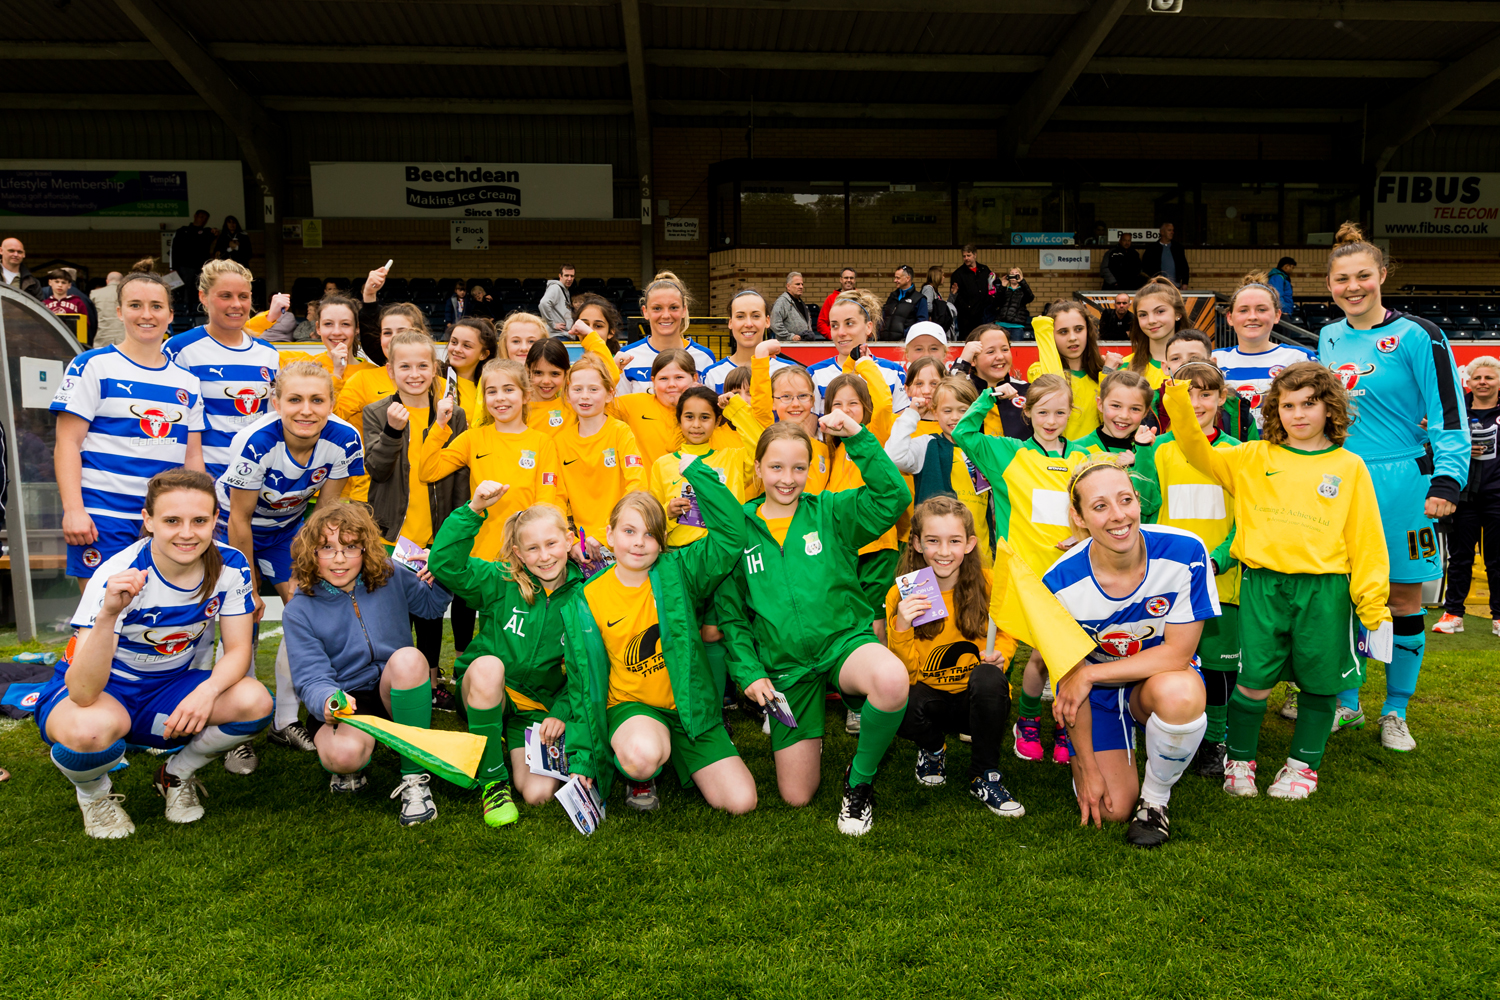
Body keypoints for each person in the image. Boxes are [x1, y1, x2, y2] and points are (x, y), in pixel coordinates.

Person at [1162, 364, 1390, 799]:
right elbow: (1194, 449)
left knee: (1320, 684)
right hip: (1263, 585)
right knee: (1252, 682)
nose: (1298, 414)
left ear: (1331, 407)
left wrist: (1372, 603)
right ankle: (1240, 762)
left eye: (1309, 403)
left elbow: (1365, 538)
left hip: (1324, 590)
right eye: (1287, 405)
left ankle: (1302, 767)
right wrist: (1176, 400)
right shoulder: (1252, 457)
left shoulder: (1349, 466)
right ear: (1274, 410)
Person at [32, 469, 268, 839]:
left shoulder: (231, 563)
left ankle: (176, 774)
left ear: (214, 521)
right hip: (106, 690)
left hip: (169, 686)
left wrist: (204, 695)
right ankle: (94, 795)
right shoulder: (119, 573)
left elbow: (238, 650)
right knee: (87, 733)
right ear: (148, 520)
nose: (187, 533)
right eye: (172, 520)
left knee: (254, 700)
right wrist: (109, 613)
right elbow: (82, 692)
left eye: (199, 520)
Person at [716, 414, 910, 835]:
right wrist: (750, 672)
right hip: (788, 667)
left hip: (842, 643)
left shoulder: (831, 511)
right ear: (758, 469)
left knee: (892, 679)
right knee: (796, 795)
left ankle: (859, 781)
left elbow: (893, 497)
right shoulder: (738, 532)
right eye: (777, 467)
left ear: (811, 469)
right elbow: (731, 616)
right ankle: (815, 730)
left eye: (799, 468)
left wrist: (858, 438)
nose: (788, 479)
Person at [1319, 223, 1469, 752]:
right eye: (1342, 279)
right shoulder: (1329, 337)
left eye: (1363, 275)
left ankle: (1396, 711)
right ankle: (1347, 702)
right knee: (1341, 596)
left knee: (1404, 597)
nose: (1353, 286)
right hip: (1341, 483)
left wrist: (1449, 479)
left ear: (1382, 275)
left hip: (1405, 481)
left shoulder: (1419, 335)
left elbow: (1448, 411)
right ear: (1330, 284)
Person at [559, 471, 757, 816]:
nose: (639, 542)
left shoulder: (679, 571)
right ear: (609, 534)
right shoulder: (585, 599)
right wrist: (584, 759)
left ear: (662, 541)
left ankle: (679, 749)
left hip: (688, 710)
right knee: (641, 756)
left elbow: (732, 535)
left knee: (742, 802)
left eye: (650, 534)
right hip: (632, 708)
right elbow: (581, 687)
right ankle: (641, 775)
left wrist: (698, 472)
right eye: (629, 531)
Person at [1039, 460, 1214, 847]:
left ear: (1138, 501)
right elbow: (1071, 685)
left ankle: (1155, 800)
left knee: (1181, 696)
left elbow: (1178, 654)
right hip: (1095, 697)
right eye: (1100, 506)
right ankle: (1114, 751)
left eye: (1125, 500)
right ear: (1079, 517)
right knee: (1111, 808)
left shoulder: (1185, 551)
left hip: (1156, 679)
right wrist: (1085, 765)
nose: (1119, 516)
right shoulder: (1058, 584)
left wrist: (1091, 673)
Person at [217, 361, 364, 750]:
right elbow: (239, 519)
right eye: (295, 399)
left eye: (317, 400)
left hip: (290, 530)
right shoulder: (256, 442)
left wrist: (308, 563)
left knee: (302, 608)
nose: (306, 410)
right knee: (240, 617)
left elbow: (324, 514)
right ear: (276, 402)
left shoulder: (346, 438)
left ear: (332, 402)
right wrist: (247, 586)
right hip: (232, 530)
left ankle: (284, 719)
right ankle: (237, 728)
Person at [281, 502, 453, 826]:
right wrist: (329, 701)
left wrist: (442, 573)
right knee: (343, 756)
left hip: (395, 687)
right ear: (311, 552)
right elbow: (310, 677)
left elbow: (431, 608)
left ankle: (414, 778)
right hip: (347, 698)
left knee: (410, 659)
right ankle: (353, 760)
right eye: (327, 548)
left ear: (365, 548)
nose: (339, 558)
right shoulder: (299, 610)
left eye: (350, 547)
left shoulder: (390, 574)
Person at [428, 486, 585, 825]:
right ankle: (493, 782)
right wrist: (473, 509)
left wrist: (560, 711)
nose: (544, 556)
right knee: (489, 667)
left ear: (570, 540)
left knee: (537, 794)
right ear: (518, 552)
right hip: (485, 691)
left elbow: (586, 667)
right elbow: (443, 563)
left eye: (551, 544)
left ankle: (496, 738)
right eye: (532, 548)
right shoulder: (500, 580)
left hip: (533, 708)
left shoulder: (587, 595)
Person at [954, 373, 1088, 763]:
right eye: (1043, 411)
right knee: (1010, 655)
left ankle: (1064, 724)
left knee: (1061, 656)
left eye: (1060, 412)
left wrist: (1082, 539)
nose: (1051, 420)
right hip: (1021, 577)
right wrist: (988, 398)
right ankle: (1025, 722)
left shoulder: (1083, 458)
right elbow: (963, 432)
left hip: (1071, 576)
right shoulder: (1008, 453)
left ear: (1070, 414)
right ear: (1027, 412)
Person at [53, 260, 204, 582]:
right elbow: (67, 443)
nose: (146, 315)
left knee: (161, 617)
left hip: (168, 519)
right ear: (120, 311)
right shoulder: (91, 366)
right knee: (101, 618)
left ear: (170, 315)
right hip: (104, 515)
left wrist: (200, 513)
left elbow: (192, 456)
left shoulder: (187, 381)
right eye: (135, 305)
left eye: (156, 306)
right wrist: (74, 510)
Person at [1135, 362, 1240, 778]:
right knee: (1164, 662)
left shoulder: (1238, 451)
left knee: (1217, 667)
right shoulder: (1159, 448)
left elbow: (1245, 520)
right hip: (1168, 581)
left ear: (1222, 399)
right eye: (1188, 394)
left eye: (1206, 394)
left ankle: (1214, 740)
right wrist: (1141, 453)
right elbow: (1146, 508)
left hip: (1221, 579)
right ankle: (1159, 730)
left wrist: (1219, 560)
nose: (1197, 403)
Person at [886, 496, 1022, 816]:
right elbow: (903, 674)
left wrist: (1001, 653)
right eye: (933, 541)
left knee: (989, 678)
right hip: (929, 698)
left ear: (970, 544)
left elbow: (1006, 632)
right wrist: (902, 625)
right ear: (917, 543)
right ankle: (934, 747)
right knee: (894, 697)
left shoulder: (990, 584)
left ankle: (984, 773)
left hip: (975, 701)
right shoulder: (902, 593)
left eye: (954, 541)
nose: (944, 552)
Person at [364, 330, 472, 691]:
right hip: (390, 536)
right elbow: (376, 470)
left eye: (423, 365)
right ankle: (392, 683)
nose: (414, 373)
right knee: (393, 614)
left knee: (430, 613)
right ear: (390, 371)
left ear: (435, 369)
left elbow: (459, 479)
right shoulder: (377, 413)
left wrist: (446, 539)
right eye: (404, 366)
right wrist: (394, 432)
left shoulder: (452, 415)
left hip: (434, 535)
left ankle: (430, 680)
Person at [163, 259, 282, 483]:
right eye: (225, 296)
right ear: (203, 297)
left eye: (243, 296)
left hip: (259, 476)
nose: (236, 304)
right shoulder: (179, 349)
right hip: (204, 479)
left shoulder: (268, 353)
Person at [886, 376, 993, 567]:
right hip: (934, 559)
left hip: (981, 557)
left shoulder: (985, 448)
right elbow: (895, 456)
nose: (955, 417)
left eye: (963, 410)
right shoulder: (927, 444)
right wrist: (911, 414)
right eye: (947, 410)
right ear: (935, 412)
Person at [649, 385, 764, 547]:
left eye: (704, 417)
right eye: (689, 417)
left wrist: (735, 409)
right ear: (679, 419)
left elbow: (764, 447)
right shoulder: (662, 465)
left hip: (726, 554)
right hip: (680, 556)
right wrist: (668, 512)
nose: (696, 425)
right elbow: (650, 519)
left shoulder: (733, 459)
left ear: (717, 421)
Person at [1434, 357, 1500, 636]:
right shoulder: (1455, 412)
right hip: (1463, 496)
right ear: (1468, 381)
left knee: (1497, 558)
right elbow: (1435, 443)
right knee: (1460, 558)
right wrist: (1462, 447)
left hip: (1497, 496)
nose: (1483, 382)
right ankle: (1453, 614)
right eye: (1477, 378)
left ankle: (1498, 617)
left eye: (1489, 377)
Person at [554, 354, 645, 546]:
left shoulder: (620, 432)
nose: (585, 396)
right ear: (568, 395)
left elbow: (637, 485)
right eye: (577, 389)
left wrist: (606, 535)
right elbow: (558, 498)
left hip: (620, 537)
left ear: (610, 394)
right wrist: (570, 541)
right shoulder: (559, 442)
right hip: (578, 545)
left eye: (593, 389)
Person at [1212, 275, 1314, 441]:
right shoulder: (1214, 360)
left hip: (1284, 456)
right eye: (1243, 310)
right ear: (1230, 317)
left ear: (1277, 315)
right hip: (1230, 458)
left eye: (1261, 309)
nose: (1252, 316)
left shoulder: (1300, 358)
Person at [1026, 304, 1122, 440]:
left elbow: (1111, 420)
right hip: (1060, 459)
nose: (1072, 337)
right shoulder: (1038, 370)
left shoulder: (1103, 373)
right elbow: (1054, 386)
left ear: (1088, 331)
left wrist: (1107, 374)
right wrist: (1043, 330)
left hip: (1098, 458)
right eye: (1063, 332)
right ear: (1051, 335)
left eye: (1078, 329)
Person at [810, 289, 909, 414]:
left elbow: (901, 429)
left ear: (868, 327)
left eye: (849, 323)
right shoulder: (815, 374)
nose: (840, 332)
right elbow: (809, 431)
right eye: (834, 325)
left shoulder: (894, 372)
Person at [617, 272, 716, 393]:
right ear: (645, 311)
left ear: (684, 310)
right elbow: (620, 409)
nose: (666, 315)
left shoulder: (704, 356)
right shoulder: (627, 356)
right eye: (657, 308)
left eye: (673, 307)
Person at [701, 288, 791, 394]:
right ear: (730, 323)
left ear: (767, 321)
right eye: (740, 316)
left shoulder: (787, 370)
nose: (748, 324)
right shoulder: (712, 374)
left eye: (756, 316)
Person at [950, 324, 1031, 438]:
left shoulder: (1027, 390)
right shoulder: (963, 390)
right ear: (973, 359)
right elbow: (947, 391)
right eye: (990, 352)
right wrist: (962, 363)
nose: (1000, 356)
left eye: (1005, 349)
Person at [1124, 277, 1192, 390]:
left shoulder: (1197, 366)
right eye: (1143, 315)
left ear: (1178, 314)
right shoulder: (1124, 366)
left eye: (1160, 312)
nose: (1151, 320)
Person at [441, 317, 498, 427]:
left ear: (484, 354)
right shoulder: (434, 380)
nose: (457, 349)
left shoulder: (489, 389)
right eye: (454, 342)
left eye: (466, 345)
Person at [169, 212, 216, 310]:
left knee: (201, 289)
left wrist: (215, 233)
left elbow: (215, 238)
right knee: (186, 291)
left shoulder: (207, 232)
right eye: (201, 217)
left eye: (206, 218)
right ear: (195, 216)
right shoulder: (182, 231)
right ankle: (186, 311)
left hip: (202, 268)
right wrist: (172, 268)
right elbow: (174, 250)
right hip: (185, 267)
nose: (203, 219)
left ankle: (199, 310)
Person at [950, 245, 994, 337]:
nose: (966, 258)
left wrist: (990, 301)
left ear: (975, 255)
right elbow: (956, 296)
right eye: (964, 256)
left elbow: (992, 285)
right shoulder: (958, 274)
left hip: (985, 315)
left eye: (968, 255)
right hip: (967, 318)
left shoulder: (984, 270)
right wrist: (968, 308)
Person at [882, 266, 929, 340]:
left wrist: (905, 334)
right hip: (884, 342)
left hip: (904, 343)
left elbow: (921, 323)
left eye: (898, 278)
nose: (895, 280)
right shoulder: (893, 296)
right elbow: (884, 315)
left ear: (908, 278)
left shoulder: (919, 299)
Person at [1141, 223, 1189, 287]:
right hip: (1157, 286)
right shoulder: (1152, 249)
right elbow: (1146, 268)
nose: (1172, 232)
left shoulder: (1178, 248)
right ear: (1162, 232)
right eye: (1169, 230)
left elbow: (1184, 267)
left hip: (1175, 286)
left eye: (1173, 230)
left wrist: (1185, 283)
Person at [771, 271, 813, 342]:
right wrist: (790, 336)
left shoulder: (800, 302)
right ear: (788, 286)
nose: (801, 287)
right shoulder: (782, 302)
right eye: (797, 284)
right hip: (788, 346)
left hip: (803, 345)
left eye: (802, 284)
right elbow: (774, 323)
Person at [818, 268, 858, 339]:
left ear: (855, 280)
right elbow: (821, 323)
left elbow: (869, 320)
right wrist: (832, 336)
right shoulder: (831, 299)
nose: (849, 280)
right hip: (837, 341)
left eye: (851, 278)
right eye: (846, 278)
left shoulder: (861, 298)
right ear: (841, 280)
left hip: (856, 340)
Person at [89, 272, 126, 347]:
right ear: (122, 282)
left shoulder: (95, 293)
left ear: (107, 281)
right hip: (124, 336)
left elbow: (91, 317)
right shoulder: (128, 293)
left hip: (102, 337)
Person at [539, 264, 576, 335]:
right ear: (560, 276)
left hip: (562, 335)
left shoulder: (564, 290)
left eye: (572, 276)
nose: (569, 279)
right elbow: (543, 303)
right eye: (566, 275)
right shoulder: (555, 288)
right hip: (558, 335)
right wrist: (552, 324)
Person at [920, 265, 956, 339]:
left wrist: (952, 294)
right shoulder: (928, 289)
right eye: (942, 275)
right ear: (937, 276)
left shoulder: (935, 291)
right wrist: (939, 308)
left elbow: (945, 308)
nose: (944, 277)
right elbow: (927, 307)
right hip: (931, 327)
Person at [993, 267, 1034, 332]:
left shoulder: (1023, 290)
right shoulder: (1004, 289)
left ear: (1020, 276)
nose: (1014, 276)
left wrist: (1022, 282)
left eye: (1016, 274)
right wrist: (1003, 286)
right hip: (1000, 325)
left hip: (1016, 326)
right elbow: (996, 302)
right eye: (1011, 274)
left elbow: (1030, 298)